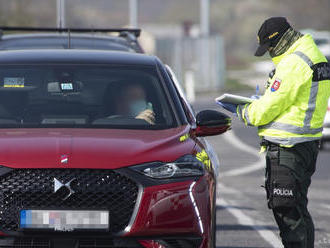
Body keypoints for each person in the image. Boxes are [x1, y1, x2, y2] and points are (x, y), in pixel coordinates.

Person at [219, 17, 330, 248]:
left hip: (288, 147)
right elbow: (290, 101)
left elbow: (266, 110)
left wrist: (244, 110)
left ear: (279, 41)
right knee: (296, 207)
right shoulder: (313, 55)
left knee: (287, 209)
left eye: (269, 48)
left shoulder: (293, 63)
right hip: (304, 144)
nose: (269, 53)